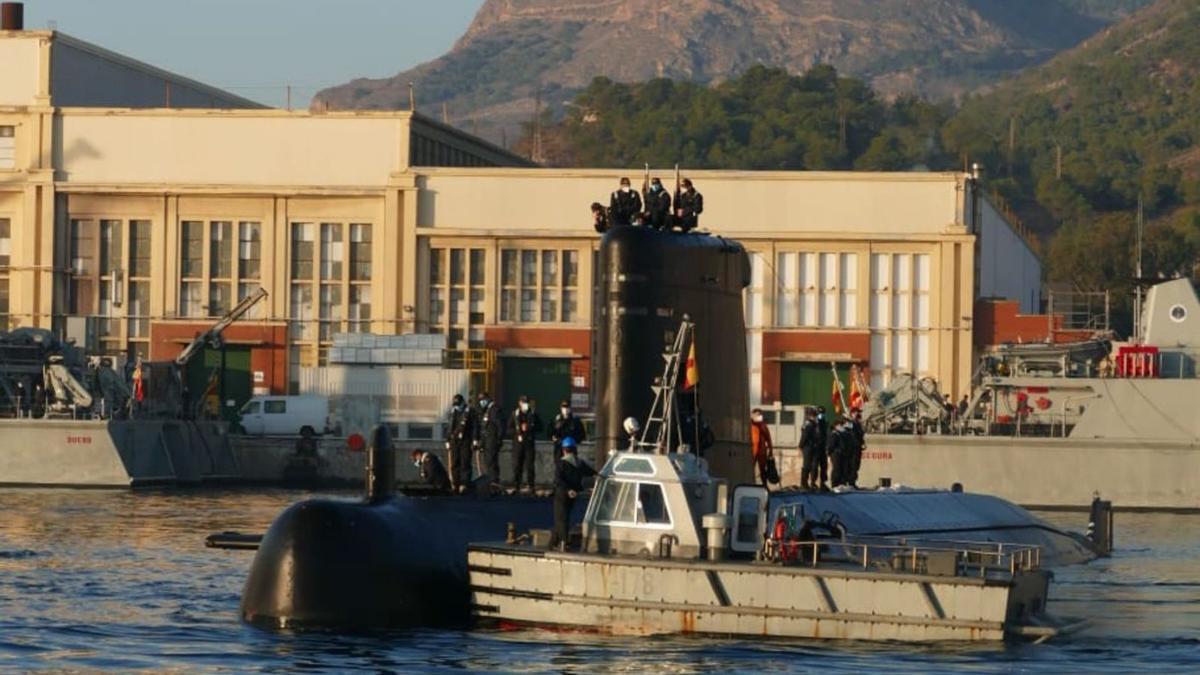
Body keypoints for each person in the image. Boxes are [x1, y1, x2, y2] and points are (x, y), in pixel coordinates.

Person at [550, 436, 595, 550]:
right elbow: (592, 473)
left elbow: (558, 480)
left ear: (564, 450)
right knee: (563, 518)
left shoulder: (562, 463)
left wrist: (566, 490)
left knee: (561, 518)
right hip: (573, 495)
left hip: (562, 494)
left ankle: (564, 543)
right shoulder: (579, 463)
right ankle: (552, 543)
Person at [507, 395, 543, 493]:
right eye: (523, 403)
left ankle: (530, 485)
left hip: (529, 443)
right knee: (517, 465)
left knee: (530, 465)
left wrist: (530, 427)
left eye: (526, 403)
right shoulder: (515, 414)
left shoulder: (532, 414)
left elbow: (540, 427)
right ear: (519, 403)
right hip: (518, 444)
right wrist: (517, 431)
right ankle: (516, 485)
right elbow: (508, 429)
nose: (525, 405)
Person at [446, 393, 475, 493]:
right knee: (454, 463)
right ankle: (455, 483)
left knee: (465, 462)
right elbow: (449, 427)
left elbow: (474, 427)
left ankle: (464, 483)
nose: (457, 407)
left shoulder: (469, 411)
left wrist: (475, 439)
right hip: (454, 441)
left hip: (465, 440)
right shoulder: (453, 412)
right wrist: (447, 440)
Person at [475, 392, 504, 488]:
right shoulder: (486, 411)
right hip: (486, 440)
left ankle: (494, 481)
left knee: (491, 462)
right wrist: (480, 442)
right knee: (487, 461)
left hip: (492, 440)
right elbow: (483, 427)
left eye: (483, 400)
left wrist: (499, 439)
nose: (482, 402)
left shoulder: (494, 410)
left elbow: (499, 426)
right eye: (480, 400)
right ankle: (490, 481)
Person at [551, 399, 586, 464]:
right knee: (559, 469)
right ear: (561, 409)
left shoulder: (575, 421)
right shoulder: (556, 420)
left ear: (570, 408)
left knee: (571, 469)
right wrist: (554, 437)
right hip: (559, 449)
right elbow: (550, 433)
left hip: (570, 449)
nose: (565, 409)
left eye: (567, 407)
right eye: (564, 407)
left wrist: (573, 440)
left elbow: (582, 435)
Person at [750, 408, 774, 487]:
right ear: (753, 415)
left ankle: (765, 485)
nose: (758, 417)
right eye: (757, 415)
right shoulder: (749, 425)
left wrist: (770, 451)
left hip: (762, 451)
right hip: (752, 451)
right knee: (750, 469)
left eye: (759, 415)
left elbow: (769, 439)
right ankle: (750, 484)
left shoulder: (763, 426)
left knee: (763, 470)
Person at [799, 407, 820, 490]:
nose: (816, 417)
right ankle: (804, 483)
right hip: (808, 447)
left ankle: (812, 483)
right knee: (807, 465)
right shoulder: (808, 424)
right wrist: (800, 446)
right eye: (815, 416)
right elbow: (804, 436)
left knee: (814, 466)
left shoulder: (815, 424)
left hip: (814, 447)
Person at [814, 406, 830, 490]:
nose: (821, 415)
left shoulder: (825, 423)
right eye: (820, 413)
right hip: (817, 447)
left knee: (824, 466)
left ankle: (823, 483)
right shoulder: (814, 424)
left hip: (823, 446)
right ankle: (813, 483)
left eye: (823, 413)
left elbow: (826, 435)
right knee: (815, 465)